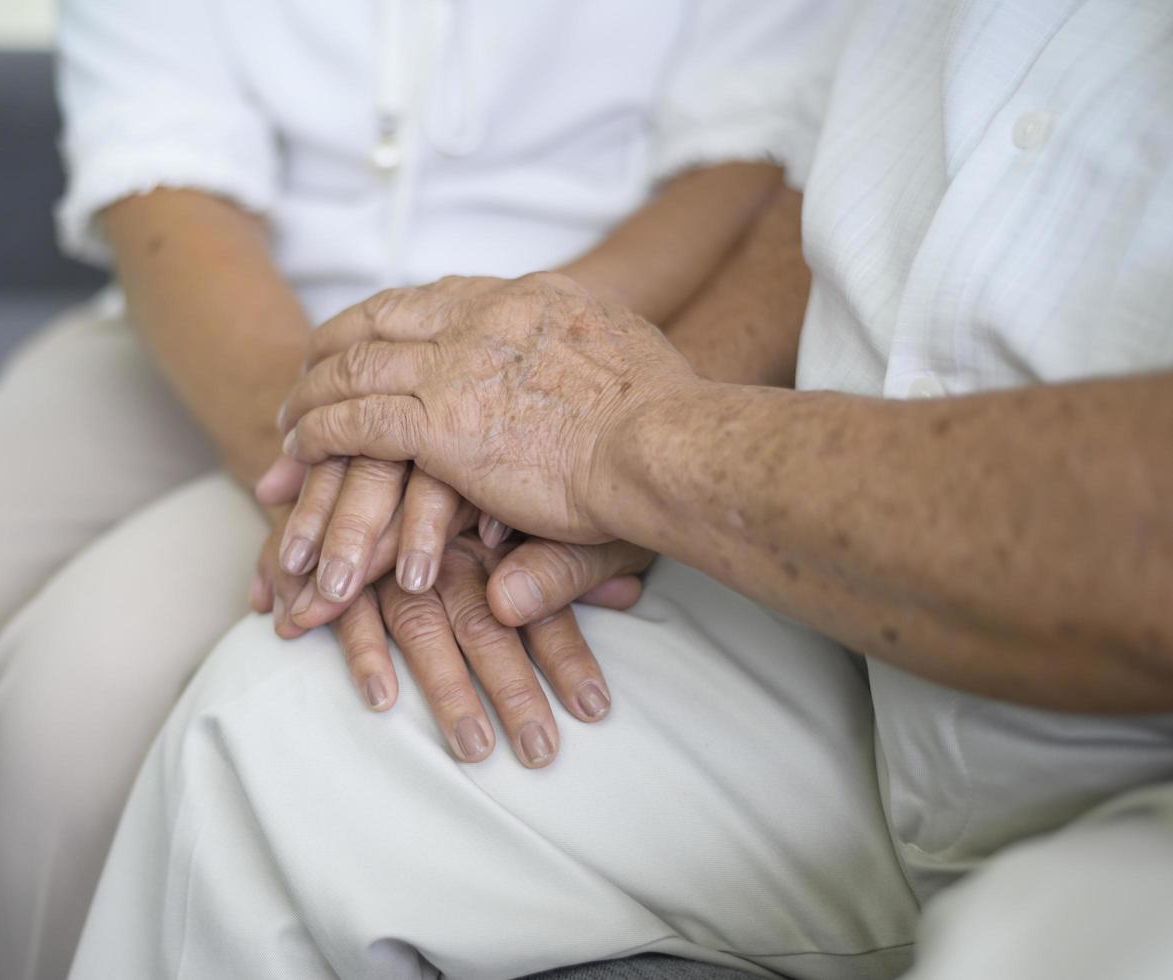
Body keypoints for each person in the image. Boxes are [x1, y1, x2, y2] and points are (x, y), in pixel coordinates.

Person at [0, 2, 853, 978]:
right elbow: (163, 167)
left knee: (86, 712)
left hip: (596, 337)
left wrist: (504, 376)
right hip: (203, 328)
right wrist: (368, 424)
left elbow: (751, 151)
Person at [68, 1, 1173, 978]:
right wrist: (524, 423)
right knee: (267, 734)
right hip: (839, 620)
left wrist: (640, 446)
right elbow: (833, 180)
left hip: (1133, 754)